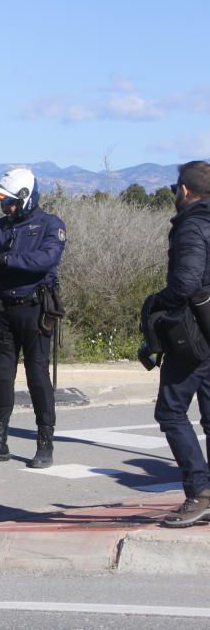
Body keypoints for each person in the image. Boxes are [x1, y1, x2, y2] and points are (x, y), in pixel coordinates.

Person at [0, 168, 66, 469]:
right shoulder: (0, 227)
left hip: (34, 309)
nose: (6, 208)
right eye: (4, 202)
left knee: (37, 376)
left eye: (11, 202)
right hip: (2, 309)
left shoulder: (50, 224)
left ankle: (45, 443)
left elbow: (46, 259)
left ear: (26, 198)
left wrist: (7, 261)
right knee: (1, 376)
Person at [145, 161, 210, 528]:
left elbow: (185, 283)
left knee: (171, 412)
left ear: (184, 190)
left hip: (194, 335)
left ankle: (200, 493)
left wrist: (155, 303)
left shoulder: (192, 225)